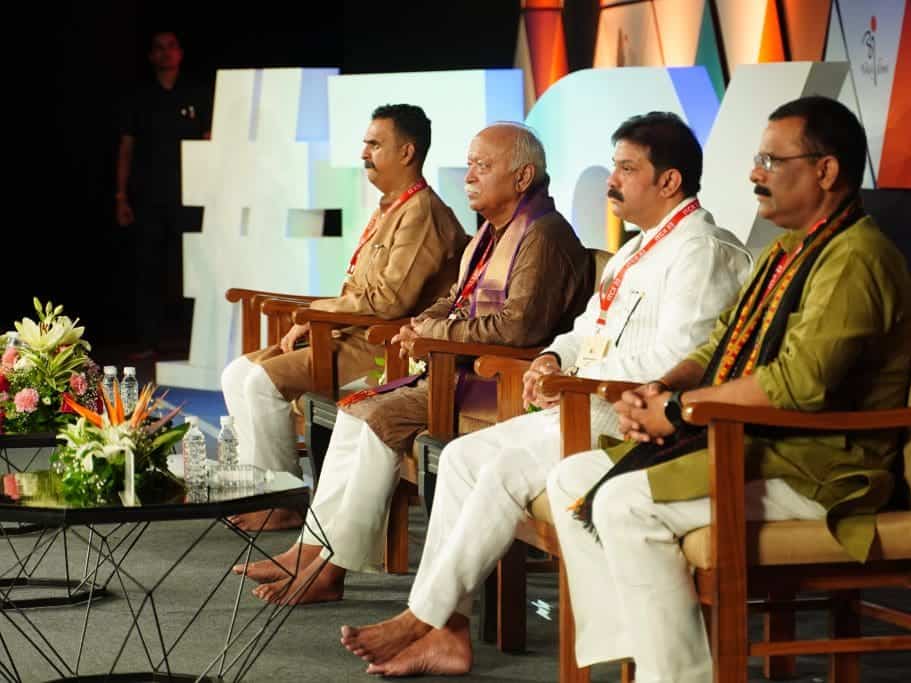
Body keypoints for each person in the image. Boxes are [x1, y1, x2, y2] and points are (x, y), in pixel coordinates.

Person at [337, 112, 753, 677]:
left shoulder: (701, 251)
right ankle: (447, 631)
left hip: (625, 417)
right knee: (460, 458)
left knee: (501, 469)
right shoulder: (638, 248)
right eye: (613, 166)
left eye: (627, 168)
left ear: (669, 181)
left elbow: (677, 361)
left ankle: (421, 619)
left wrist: (572, 378)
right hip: (586, 399)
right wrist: (555, 358)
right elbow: (587, 327)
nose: (613, 180)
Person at [544, 96, 911, 682]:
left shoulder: (855, 258)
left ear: (825, 170)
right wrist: (663, 387)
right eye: (757, 159)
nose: (753, 174)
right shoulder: (786, 251)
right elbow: (717, 346)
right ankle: (644, 654)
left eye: (771, 160)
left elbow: (797, 387)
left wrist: (680, 409)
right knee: (571, 478)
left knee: (623, 502)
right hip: (759, 443)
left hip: (819, 467)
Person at [234, 122, 593, 609]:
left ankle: (330, 568)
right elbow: (455, 298)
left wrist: (434, 334)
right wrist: (424, 323)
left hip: (497, 384)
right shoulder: (494, 230)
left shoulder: (543, 236)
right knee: (356, 414)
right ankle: (310, 552)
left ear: (523, 176)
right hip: (454, 370)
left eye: (483, 166)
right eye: (469, 164)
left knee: (374, 418)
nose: (469, 176)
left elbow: (517, 329)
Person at [221, 104, 468, 530]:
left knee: (260, 383)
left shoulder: (421, 212)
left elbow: (390, 302)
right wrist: (321, 318)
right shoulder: (390, 207)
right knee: (237, 373)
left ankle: (285, 501)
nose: (364, 153)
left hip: (384, 350)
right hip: (349, 336)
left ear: (407, 152)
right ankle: (262, 493)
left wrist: (318, 314)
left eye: (375, 144)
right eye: (365, 144)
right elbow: (360, 290)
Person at [116, 31, 212, 356]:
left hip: (190, 194)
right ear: (151, 56)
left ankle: (194, 342)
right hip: (149, 196)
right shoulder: (140, 96)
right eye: (159, 48)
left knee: (192, 265)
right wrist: (121, 196)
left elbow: (211, 139)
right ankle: (149, 341)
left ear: (180, 53)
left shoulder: (197, 92)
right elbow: (126, 148)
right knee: (148, 269)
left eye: (171, 46)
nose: (166, 53)